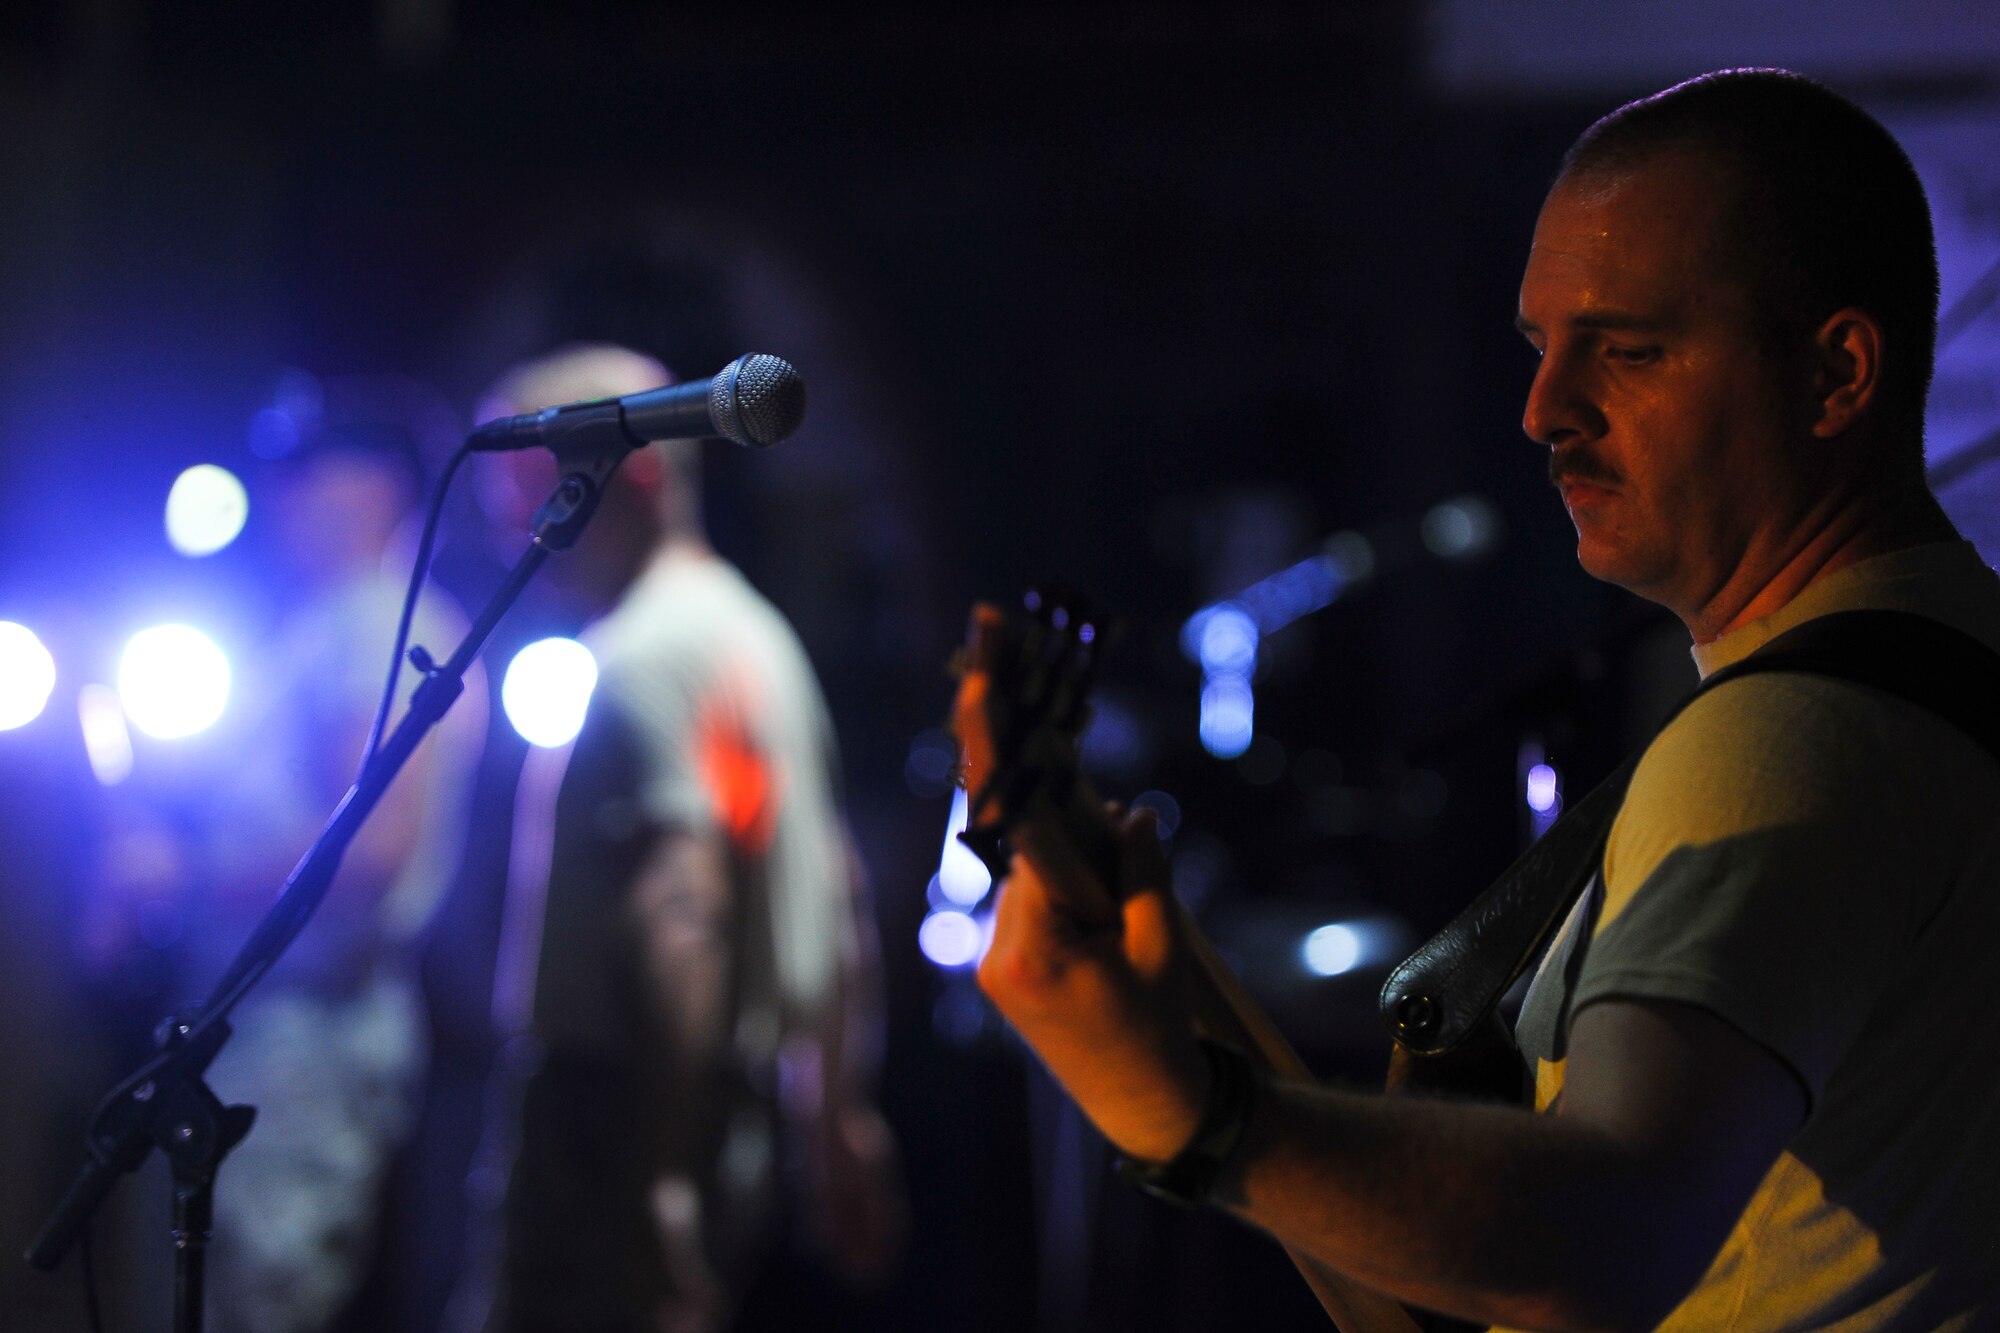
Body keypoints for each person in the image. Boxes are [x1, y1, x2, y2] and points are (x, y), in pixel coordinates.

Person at [978, 69, 2000, 1330]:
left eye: (1626, 350)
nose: (1544, 413)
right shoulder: (1947, 668)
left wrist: (1196, 1120)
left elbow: (1601, 1236)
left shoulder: (1785, 739)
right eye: (1539, 348)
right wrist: (1163, 982)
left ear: (1837, 373)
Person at [474, 345, 900, 1333]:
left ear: (640, 468)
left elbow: (682, 912)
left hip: (609, 1111)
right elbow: (836, 888)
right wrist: (838, 1111)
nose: (518, 535)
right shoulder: (757, 636)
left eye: (536, 493)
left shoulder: (642, 659)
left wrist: (658, 1176)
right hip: (719, 1105)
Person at [196, 423, 487, 1333]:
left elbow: (370, 850)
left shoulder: (372, 620)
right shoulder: (333, 616)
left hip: (311, 1018)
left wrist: (184, 876)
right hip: (284, 1016)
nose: (287, 500)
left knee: (261, 1294)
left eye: (310, 475)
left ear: (374, 487)